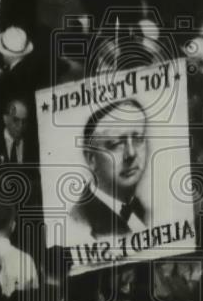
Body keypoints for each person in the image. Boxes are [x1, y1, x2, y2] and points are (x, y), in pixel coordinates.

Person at [64, 98, 150, 242]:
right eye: (116, 144)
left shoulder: (140, 209)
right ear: (91, 159)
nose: (131, 153)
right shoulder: (79, 224)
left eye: (138, 139)